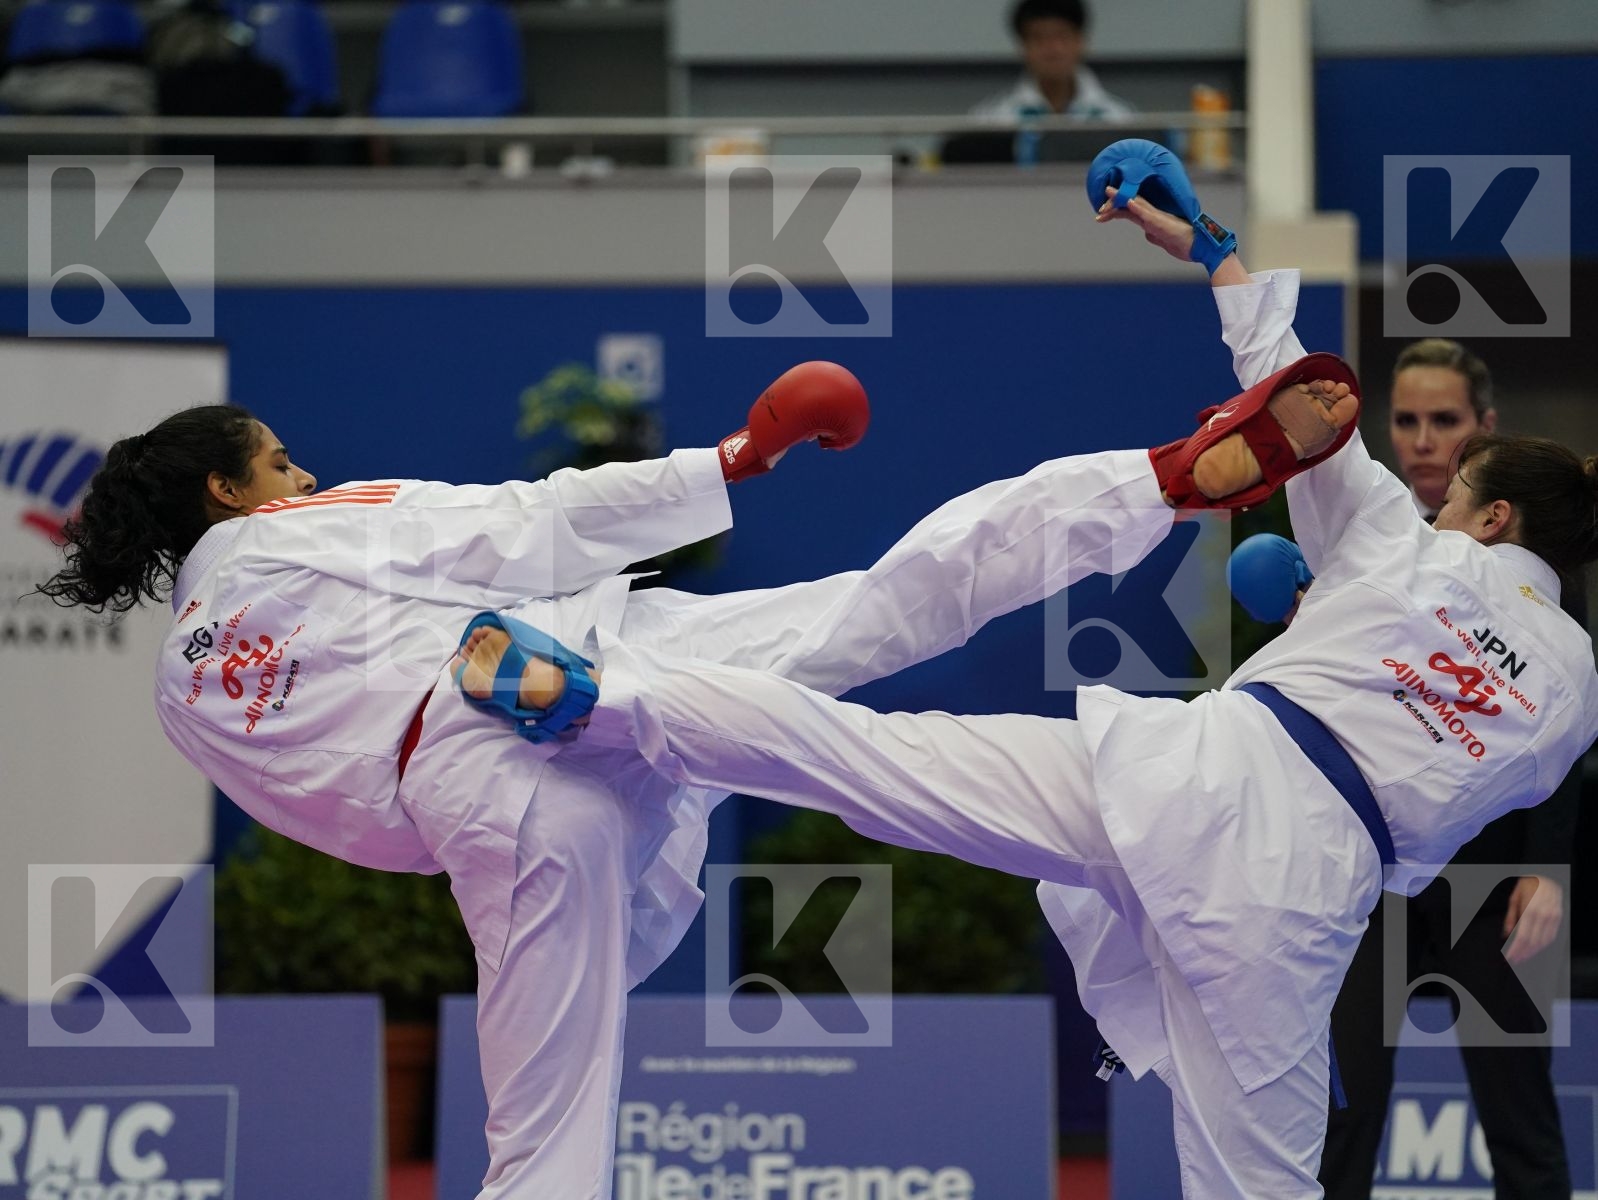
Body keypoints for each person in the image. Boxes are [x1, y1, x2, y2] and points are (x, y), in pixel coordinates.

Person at [455, 222, 1598, 1194]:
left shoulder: (1402, 544)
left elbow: (1302, 415)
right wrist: (1351, 644)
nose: (1435, 500)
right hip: (1303, 899)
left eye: (1458, 501)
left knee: (865, 758)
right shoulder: (1574, 692)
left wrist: (1218, 259)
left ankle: (604, 696)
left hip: (1194, 775)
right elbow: (1457, 805)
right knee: (1266, 1185)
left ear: (1492, 522)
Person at [35, 354, 1309, 1199]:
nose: (301, 480)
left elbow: (354, 825)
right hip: (564, 688)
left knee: (543, 1127)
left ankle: (620, 734)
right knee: (875, 616)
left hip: (492, 806)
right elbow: (517, 523)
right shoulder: (295, 533)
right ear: (231, 493)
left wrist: (485, 816)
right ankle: (1153, 483)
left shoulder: (185, 702)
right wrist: (729, 463)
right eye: (280, 466)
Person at [1314, 336, 1579, 1199]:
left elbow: (1567, 737)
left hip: (1494, 879)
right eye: (1408, 421)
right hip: (1370, 879)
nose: (1425, 439)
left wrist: (1546, 872)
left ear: (1482, 430)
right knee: (1342, 1108)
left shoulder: (1546, 553)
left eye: (1446, 423)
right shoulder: (1364, 527)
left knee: (1520, 1111)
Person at [969, 0, 1135, 122]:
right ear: (1022, 47)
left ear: (1082, 42)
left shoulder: (1120, 118)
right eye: (1038, 38)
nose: (1053, 49)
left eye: (1062, 36)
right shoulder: (991, 121)